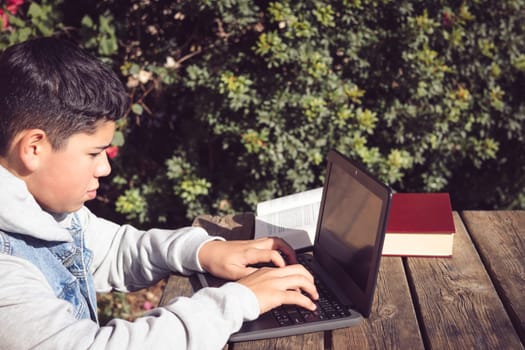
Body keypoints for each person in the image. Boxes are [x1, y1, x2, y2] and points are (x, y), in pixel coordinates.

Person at [0, 37, 318, 349]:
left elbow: (112, 250)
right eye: (93, 153)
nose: (104, 169)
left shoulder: (42, 208)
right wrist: (238, 301)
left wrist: (201, 252)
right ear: (34, 148)